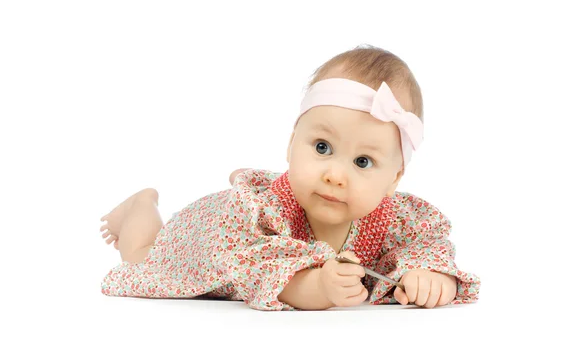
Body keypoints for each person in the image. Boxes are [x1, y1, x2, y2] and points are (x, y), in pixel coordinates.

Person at [100, 45, 481, 310]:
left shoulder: (397, 219)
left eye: (363, 162)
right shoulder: (258, 213)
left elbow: (426, 246)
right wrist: (317, 286)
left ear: (394, 179)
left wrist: (432, 278)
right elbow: (263, 272)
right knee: (143, 254)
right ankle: (140, 205)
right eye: (321, 148)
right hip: (206, 236)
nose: (335, 175)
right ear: (290, 145)